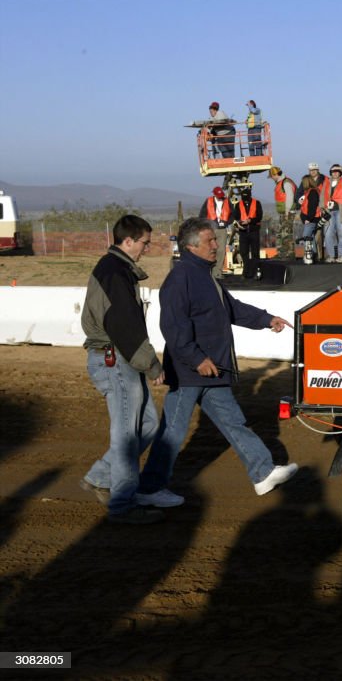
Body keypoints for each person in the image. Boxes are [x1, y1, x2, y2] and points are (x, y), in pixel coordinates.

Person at [140, 217, 298, 499]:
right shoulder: (180, 279)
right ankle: (149, 489)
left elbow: (231, 309)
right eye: (210, 241)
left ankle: (262, 472)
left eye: (215, 239)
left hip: (212, 370)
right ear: (192, 247)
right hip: (191, 372)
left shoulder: (205, 275)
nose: (217, 245)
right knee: (172, 432)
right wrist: (197, 359)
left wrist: (266, 319)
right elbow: (174, 329)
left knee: (233, 422)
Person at [80, 215, 181, 524]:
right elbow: (124, 325)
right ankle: (122, 504)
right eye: (144, 243)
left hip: (119, 358)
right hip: (116, 359)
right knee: (126, 435)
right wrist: (151, 364)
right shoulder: (114, 273)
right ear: (127, 241)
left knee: (148, 423)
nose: (146, 249)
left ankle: (100, 476)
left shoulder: (117, 270)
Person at [320, 164, 342, 263]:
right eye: (333, 171)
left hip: (341, 211)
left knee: (341, 233)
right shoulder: (326, 183)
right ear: (330, 172)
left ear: (340, 173)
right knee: (327, 234)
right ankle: (331, 256)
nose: (335, 173)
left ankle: (341, 256)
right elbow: (322, 195)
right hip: (329, 211)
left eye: (337, 171)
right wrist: (322, 208)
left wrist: (341, 168)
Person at [199, 186, 235, 278]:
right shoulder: (208, 201)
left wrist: (226, 223)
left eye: (221, 195)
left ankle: (217, 272)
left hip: (222, 229)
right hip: (211, 229)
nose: (220, 197)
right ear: (214, 194)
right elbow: (202, 215)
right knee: (209, 249)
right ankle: (207, 271)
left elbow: (233, 214)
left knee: (221, 250)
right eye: (218, 195)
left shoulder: (227, 201)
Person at [268, 166, 297, 259]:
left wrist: (287, 211)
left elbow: (290, 197)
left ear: (275, 174)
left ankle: (290, 253)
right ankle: (281, 253)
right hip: (283, 212)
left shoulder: (286, 183)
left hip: (287, 212)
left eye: (272, 176)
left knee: (287, 233)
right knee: (280, 233)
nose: (271, 178)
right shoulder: (281, 182)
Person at [298, 163, 324, 262]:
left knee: (306, 237)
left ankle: (309, 255)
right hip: (310, 219)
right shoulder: (309, 192)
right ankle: (313, 255)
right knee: (311, 238)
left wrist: (308, 219)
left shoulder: (312, 192)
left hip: (312, 219)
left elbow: (312, 208)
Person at [236, 188, 263, 279]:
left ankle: (255, 272)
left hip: (254, 231)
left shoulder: (257, 203)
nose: (245, 199)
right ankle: (246, 272)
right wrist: (239, 223)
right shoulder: (238, 205)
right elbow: (236, 216)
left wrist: (250, 221)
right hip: (243, 232)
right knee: (244, 252)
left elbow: (259, 216)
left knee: (255, 253)